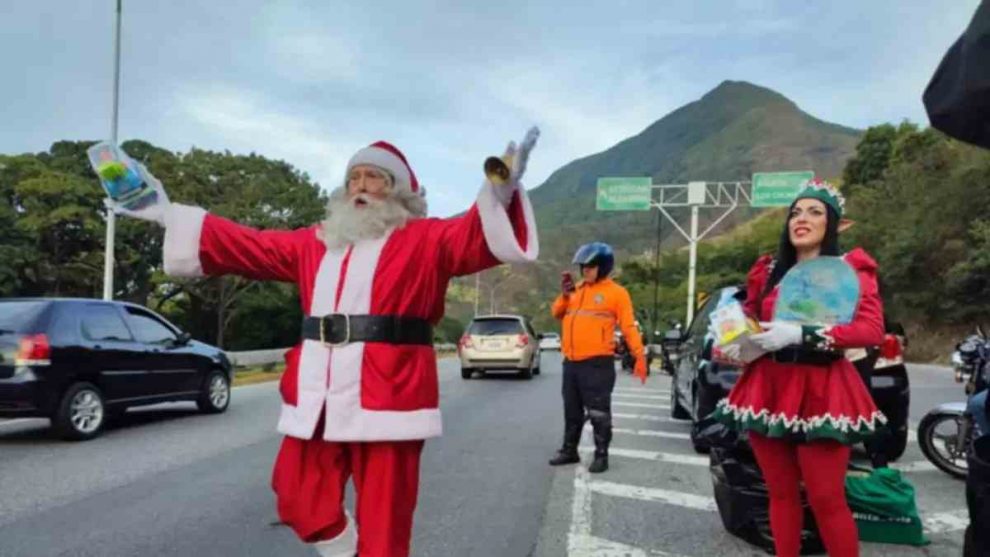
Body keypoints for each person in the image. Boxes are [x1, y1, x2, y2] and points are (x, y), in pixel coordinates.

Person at [115, 129, 540, 557]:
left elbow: (473, 233)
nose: (360, 186)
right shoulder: (316, 242)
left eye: (374, 177)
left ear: (400, 192)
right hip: (319, 395)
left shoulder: (426, 239)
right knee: (297, 496)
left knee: (386, 524)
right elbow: (248, 244)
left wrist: (500, 191)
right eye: (354, 177)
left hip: (389, 396)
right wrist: (164, 213)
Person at [713, 179, 885, 557]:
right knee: (781, 494)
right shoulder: (770, 272)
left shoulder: (850, 270)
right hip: (768, 386)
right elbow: (753, 321)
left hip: (823, 389)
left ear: (834, 224)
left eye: (814, 211)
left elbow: (871, 331)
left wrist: (802, 334)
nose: (801, 219)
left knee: (826, 499)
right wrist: (736, 338)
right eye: (795, 212)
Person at [548, 242, 647, 474]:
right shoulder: (576, 290)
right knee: (571, 410)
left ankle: (601, 454)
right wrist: (564, 295)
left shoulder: (617, 293)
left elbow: (629, 326)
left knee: (598, 412)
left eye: (590, 266)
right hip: (571, 362)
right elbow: (556, 313)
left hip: (597, 363)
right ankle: (569, 450)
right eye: (583, 266)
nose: (585, 271)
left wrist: (639, 355)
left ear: (603, 267)